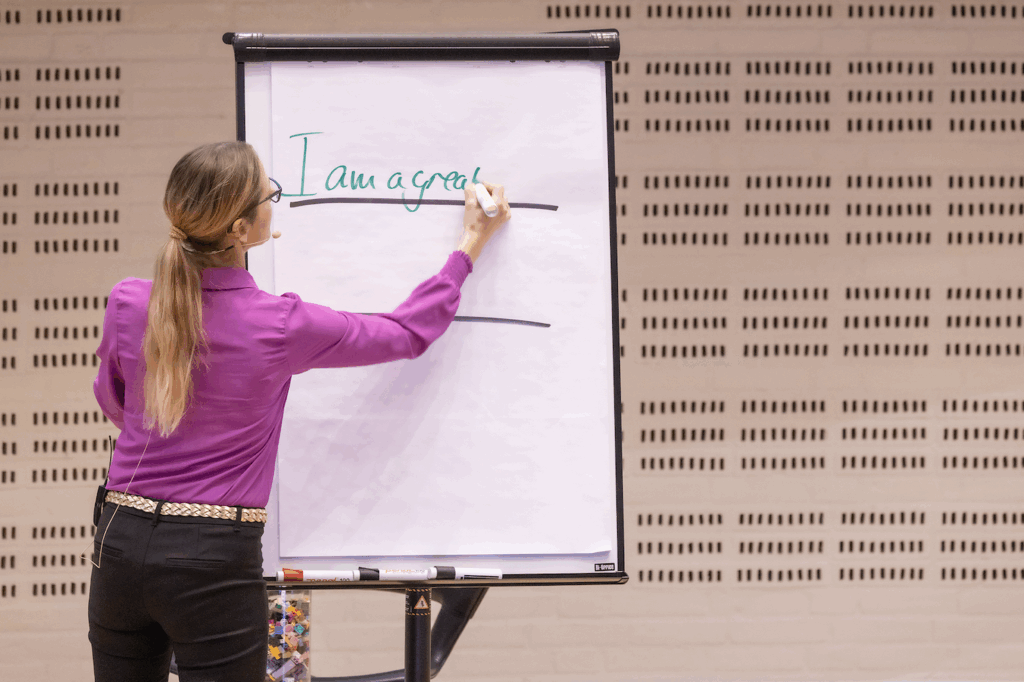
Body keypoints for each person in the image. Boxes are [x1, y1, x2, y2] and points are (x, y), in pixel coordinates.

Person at [88, 141, 510, 682]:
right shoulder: (280, 324)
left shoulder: (128, 301)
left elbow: (117, 404)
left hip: (119, 539)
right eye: (269, 195)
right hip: (210, 557)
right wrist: (470, 243)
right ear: (240, 230)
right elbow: (406, 331)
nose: (274, 200)